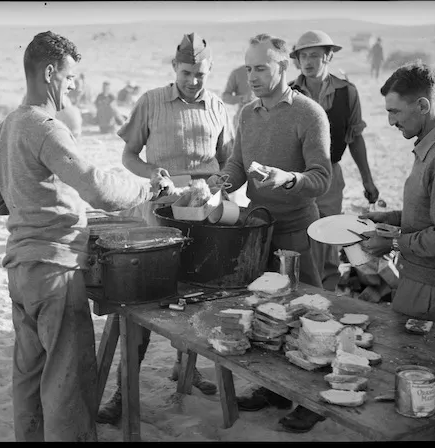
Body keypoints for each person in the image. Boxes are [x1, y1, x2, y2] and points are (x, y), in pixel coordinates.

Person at [0, 31, 174, 442]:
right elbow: (98, 188)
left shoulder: (7, 126)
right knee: (68, 385)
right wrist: (147, 189)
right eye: (69, 78)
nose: (74, 86)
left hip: (20, 271)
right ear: (50, 73)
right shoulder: (46, 128)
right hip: (55, 272)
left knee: (29, 378)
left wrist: (33, 196)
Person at [96, 32, 235, 426]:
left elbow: (230, 164)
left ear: (210, 71)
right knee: (143, 301)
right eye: (187, 72)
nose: (194, 80)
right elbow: (128, 155)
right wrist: (150, 173)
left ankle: (185, 370)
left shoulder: (218, 107)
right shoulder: (152, 101)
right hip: (160, 215)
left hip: (204, 214)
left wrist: (218, 183)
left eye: (201, 74)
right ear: (174, 68)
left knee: (199, 295)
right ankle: (123, 395)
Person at [205, 33, 332, 434]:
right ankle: (274, 391)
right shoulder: (247, 114)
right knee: (265, 315)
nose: (253, 76)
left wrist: (287, 179)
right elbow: (238, 164)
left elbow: (321, 178)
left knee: (307, 317)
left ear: (283, 68)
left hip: (298, 231)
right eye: (248, 67)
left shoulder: (310, 114)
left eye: (261, 67)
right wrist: (224, 178)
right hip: (258, 232)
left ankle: (313, 402)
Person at [360, 61, 435, 333]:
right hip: (426, 284)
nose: (390, 121)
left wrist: (392, 242)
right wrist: (390, 218)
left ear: (423, 106)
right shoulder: (432, 148)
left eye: (395, 112)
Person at [289, 30, 379, 292]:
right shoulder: (290, 94)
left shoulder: (347, 93)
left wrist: (367, 179)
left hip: (331, 174)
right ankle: (303, 289)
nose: (308, 62)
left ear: (328, 56)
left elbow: (355, 137)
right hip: (298, 176)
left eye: (315, 55)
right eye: (303, 56)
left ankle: (326, 292)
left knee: (328, 233)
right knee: (301, 235)